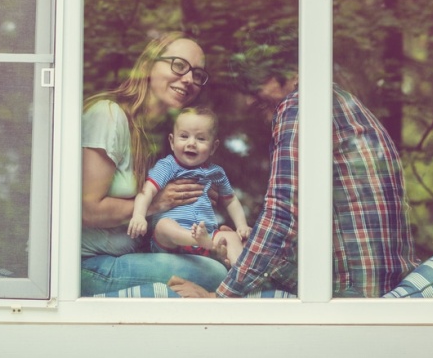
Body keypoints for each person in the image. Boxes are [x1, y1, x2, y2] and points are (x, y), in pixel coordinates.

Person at [168, 29, 417, 298]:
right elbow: (302, 228)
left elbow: (283, 217)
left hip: (348, 295)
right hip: (371, 285)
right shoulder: (341, 103)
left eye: (255, 84)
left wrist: (220, 298)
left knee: (198, 276)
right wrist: (247, 248)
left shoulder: (300, 105)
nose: (250, 100)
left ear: (294, 74)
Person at [81, 31, 229, 296]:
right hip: (85, 265)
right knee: (214, 274)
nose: (188, 80)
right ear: (149, 64)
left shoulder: (166, 138)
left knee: (223, 256)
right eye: (179, 65)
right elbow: (88, 210)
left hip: (131, 255)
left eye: (197, 74)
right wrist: (158, 202)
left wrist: (196, 206)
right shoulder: (108, 115)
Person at [128, 107, 251, 267]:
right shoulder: (167, 166)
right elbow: (147, 191)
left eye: (201, 139)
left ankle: (241, 273)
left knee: (231, 237)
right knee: (164, 226)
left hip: (207, 235)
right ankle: (198, 241)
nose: (191, 143)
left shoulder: (216, 172)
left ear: (213, 147)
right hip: (170, 244)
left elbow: (231, 200)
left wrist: (241, 225)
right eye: (184, 136)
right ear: (172, 142)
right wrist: (138, 215)